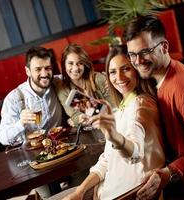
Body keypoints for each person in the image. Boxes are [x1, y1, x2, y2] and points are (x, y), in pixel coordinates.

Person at [123, 15, 184, 199]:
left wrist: (169, 173)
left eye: (145, 51)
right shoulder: (162, 77)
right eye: (132, 54)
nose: (137, 61)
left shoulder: (183, 88)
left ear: (164, 47)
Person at [61, 45, 165, 200]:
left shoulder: (141, 105)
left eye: (125, 69)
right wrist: (79, 192)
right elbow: (107, 159)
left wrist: (114, 136)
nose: (119, 78)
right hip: (103, 191)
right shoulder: (122, 106)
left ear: (136, 69)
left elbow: (135, 153)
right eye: (113, 72)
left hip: (128, 193)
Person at [0, 46, 63, 199]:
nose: (44, 74)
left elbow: (78, 76)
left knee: (80, 185)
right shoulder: (15, 98)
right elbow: (3, 138)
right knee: (48, 196)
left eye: (47, 68)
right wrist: (21, 123)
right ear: (27, 71)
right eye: (38, 69)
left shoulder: (57, 83)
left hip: (61, 148)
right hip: (35, 158)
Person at [53, 44, 114, 127]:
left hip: (113, 124)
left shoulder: (99, 79)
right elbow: (74, 116)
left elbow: (114, 108)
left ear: (85, 64)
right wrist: (79, 119)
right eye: (70, 63)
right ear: (64, 65)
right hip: (91, 131)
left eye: (80, 63)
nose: (75, 68)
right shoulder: (63, 90)